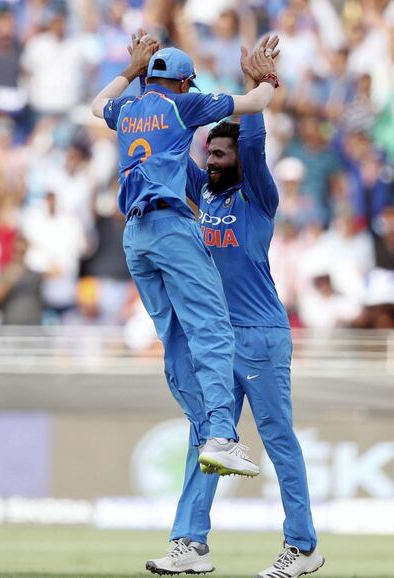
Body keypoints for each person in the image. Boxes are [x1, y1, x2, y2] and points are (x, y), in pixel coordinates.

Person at [144, 40, 324, 578]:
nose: (213, 163)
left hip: (262, 335)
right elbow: (176, 149)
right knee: (208, 440)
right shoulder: (202, 195)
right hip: (218, 340)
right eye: (210, 156)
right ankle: (189, 542)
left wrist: (261, 85)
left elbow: (251, 139)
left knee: (277, 440)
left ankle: (302, 545)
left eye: (221, 156)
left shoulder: (257, 198)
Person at [89, 31, 280, 478]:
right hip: (171, 226)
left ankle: (203, 431)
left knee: (174, 337)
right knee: (211, 327)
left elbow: (97, 105)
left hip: (134, 235)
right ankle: (219, 434)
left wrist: (129, 70)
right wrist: (268, 76)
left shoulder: (127, 108)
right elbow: (255, 105)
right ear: (182, 82)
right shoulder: (181, 104)